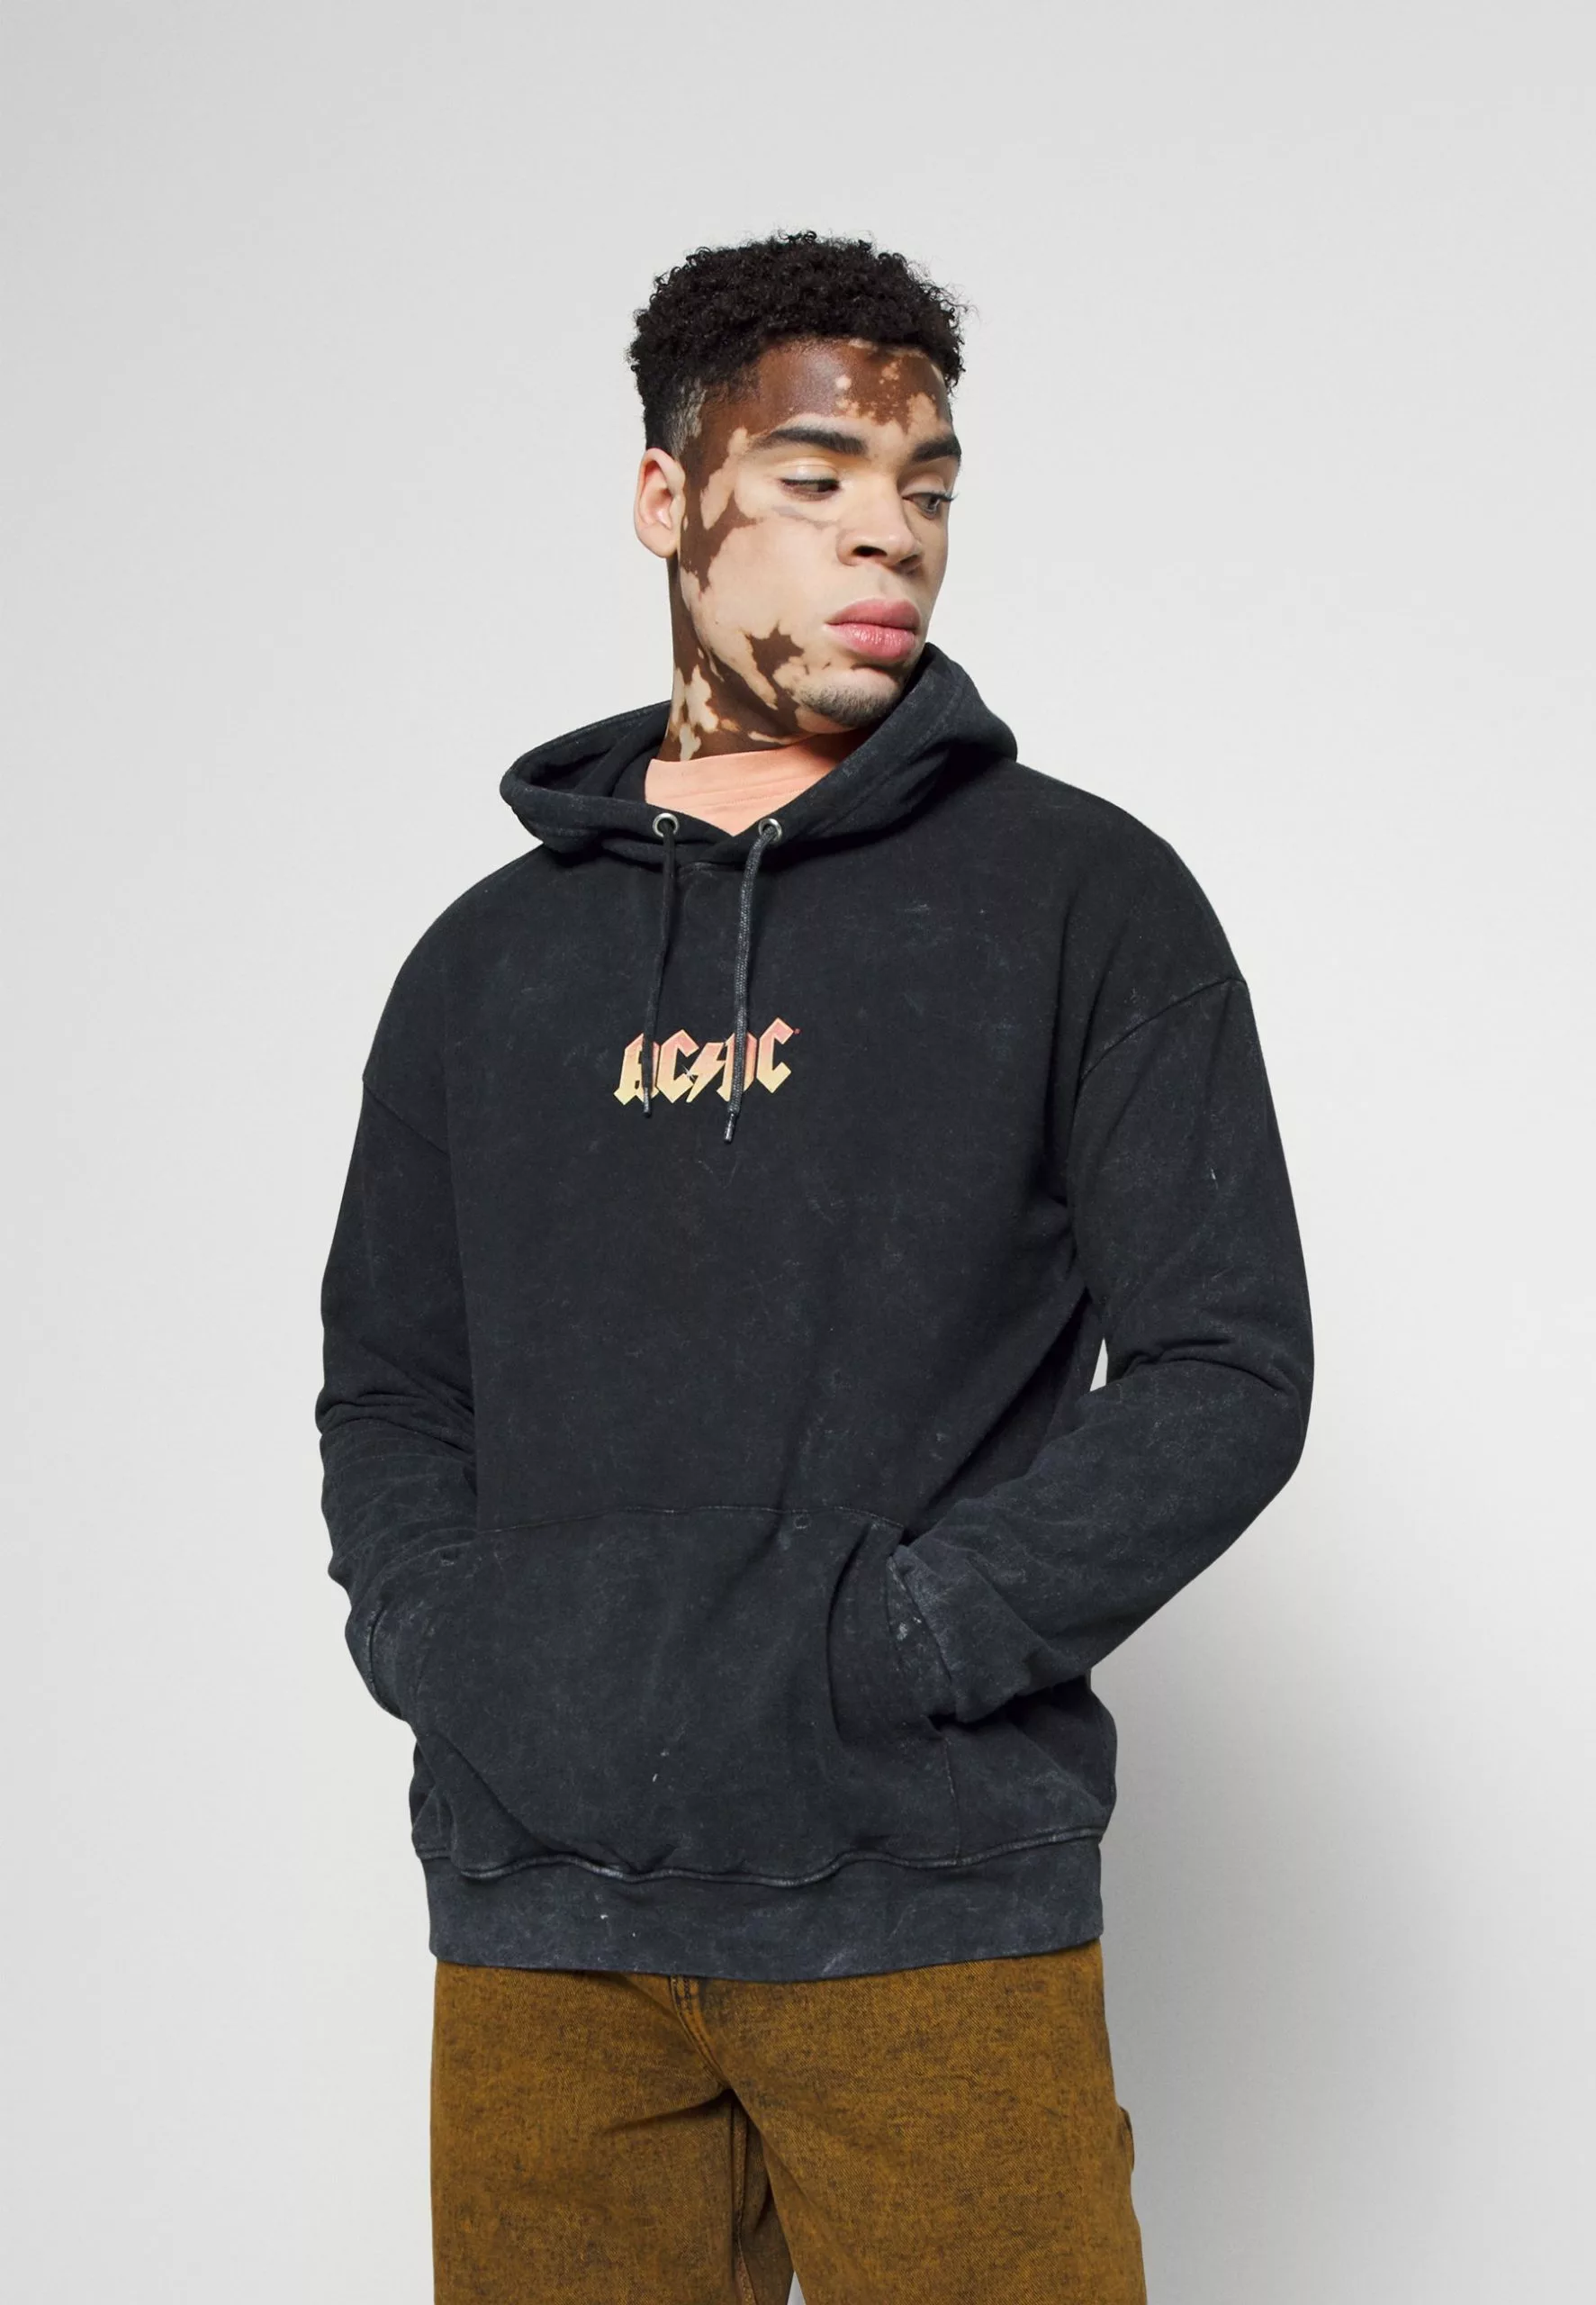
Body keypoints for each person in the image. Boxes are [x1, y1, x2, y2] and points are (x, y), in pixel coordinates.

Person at [316, 230, 1313, 2305]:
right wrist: (458, 1648)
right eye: (818, 474)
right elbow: (394, 1384)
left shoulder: (1082, 899)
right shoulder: (485, 964)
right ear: (666, 496)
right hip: (543, 1917)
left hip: (927, 1901)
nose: (891, 533)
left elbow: (1225, 1365)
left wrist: (904, 1641)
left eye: (926, 483)